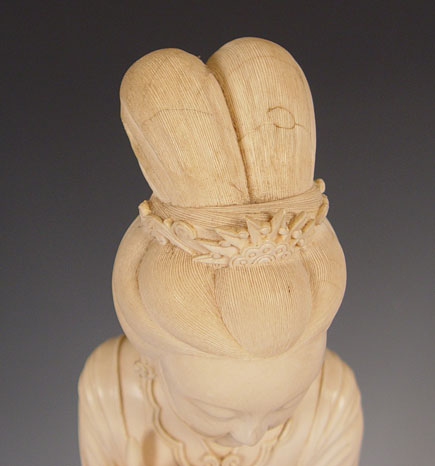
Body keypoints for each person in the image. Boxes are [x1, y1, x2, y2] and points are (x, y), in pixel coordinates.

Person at [78, 37, 363, 466]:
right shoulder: (111, 390)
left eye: (287, 405)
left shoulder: (333, 397)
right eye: (215, 412)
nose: (249, 436)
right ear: (152, 361)